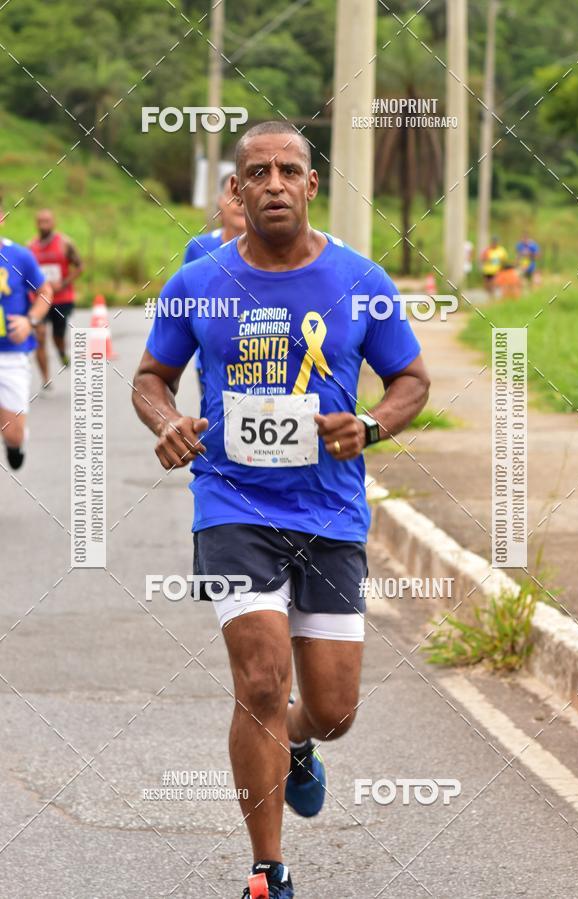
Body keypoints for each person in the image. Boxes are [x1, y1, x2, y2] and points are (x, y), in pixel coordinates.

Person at [132, 121, 430, 898]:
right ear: (236, 189)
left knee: (330, 709)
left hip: (329, 512)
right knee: (261, 681)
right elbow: (150, 376)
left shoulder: (361, 279)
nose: (272, 183)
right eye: (256, 171)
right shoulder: (198, 283)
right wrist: (167, 422)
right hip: (232, 501)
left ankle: (301, 742)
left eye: (287, 169)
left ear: (310, 184)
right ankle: (268, 869)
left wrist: (367, 426)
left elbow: (411, 381)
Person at [0, 200, 52, 469]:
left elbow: (45, 291)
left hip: (11, 355)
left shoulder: (19, 256)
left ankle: (15, 440)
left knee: (12, 433)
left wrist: (29, 320)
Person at [183, 172, 246, 389]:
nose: (239, 203)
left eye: (245, 194)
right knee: (214, 421)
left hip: (259, 364)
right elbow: (186, 305)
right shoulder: (198, 248)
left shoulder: (276, 252)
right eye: (232, 195)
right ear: (220, 202)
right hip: (211, 365)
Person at [28, 209, 83, 384]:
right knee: (40, 335)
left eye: (47, 221)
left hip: (62, 298)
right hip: (40, 299)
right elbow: (26, 273)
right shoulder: (30, 247)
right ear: (36, 224)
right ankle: (46, 379)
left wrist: (63, 284)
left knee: (57, 336)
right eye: (40, 221)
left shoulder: (65, 243)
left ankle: (61, 352)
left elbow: (79, 266)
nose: (44, 224)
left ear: (54, 222)